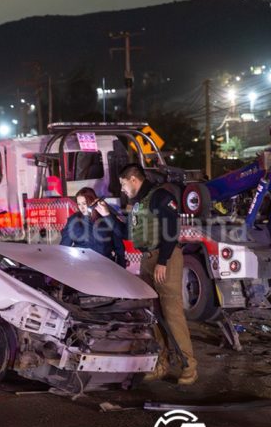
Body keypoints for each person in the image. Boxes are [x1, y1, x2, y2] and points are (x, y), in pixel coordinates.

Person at [116, 163, 197, 385]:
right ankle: (161, 363)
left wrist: (163, 261)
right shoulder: (139, 202)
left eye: (123, 184)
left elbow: (172, 229)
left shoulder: (159, 196)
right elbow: (132, 232)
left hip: (164, 257)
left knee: (172, 314)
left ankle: (189, 367)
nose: (122, 190)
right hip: (147, 259)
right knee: (154, 315)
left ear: (134, 179)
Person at [60, 187, 126, 266]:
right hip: (82, 266)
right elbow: (64, 247)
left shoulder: (106, 218)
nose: (81, 207)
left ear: (92, 202)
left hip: (105, 266)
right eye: (79, 204)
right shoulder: (74, 221)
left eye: (84, 203)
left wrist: (121, 266)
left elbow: (119, 247)